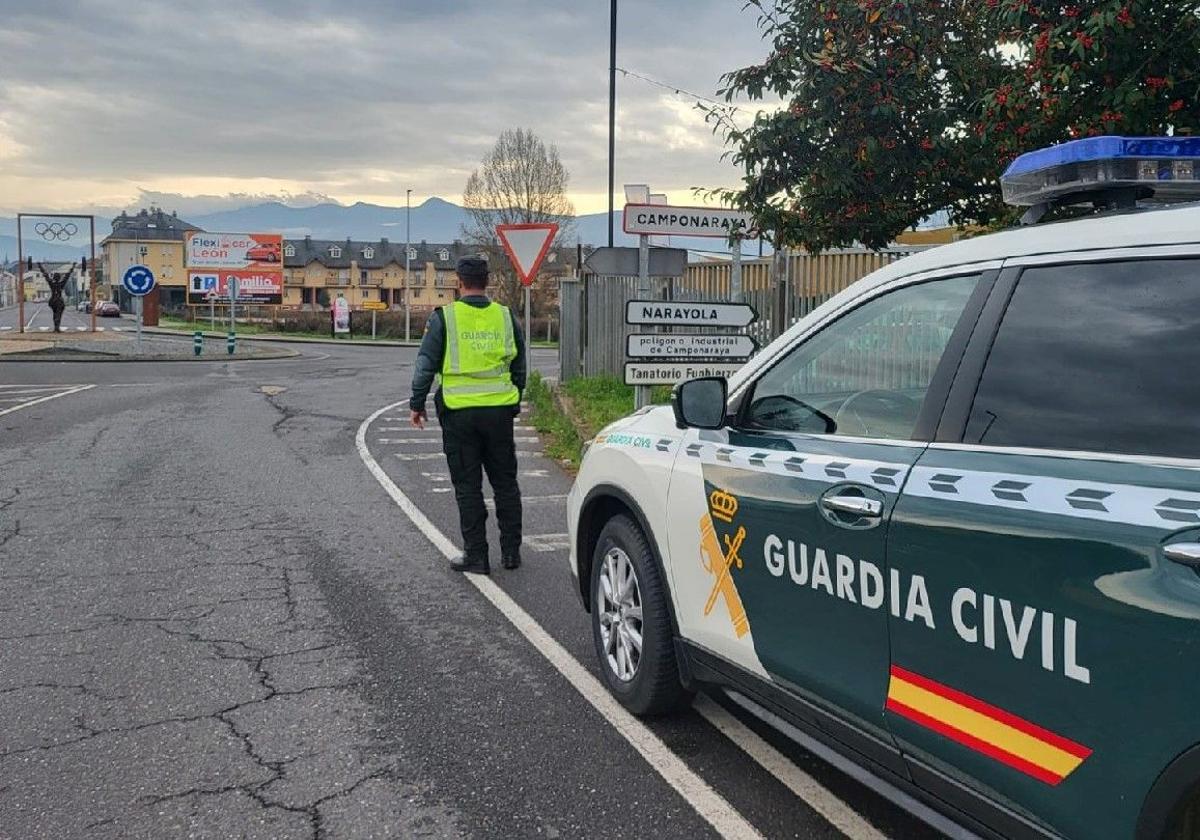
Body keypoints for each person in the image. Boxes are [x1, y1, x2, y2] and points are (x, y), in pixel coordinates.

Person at [409, 256, 526, 574]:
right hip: (499, 413)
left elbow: (425, 366)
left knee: (468, 486)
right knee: (505, 483)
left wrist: (417, 404)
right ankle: (512, 553)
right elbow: (520, 365)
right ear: (487, 282)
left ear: (458, 283)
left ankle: (477, 555)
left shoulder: (444, 318)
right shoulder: (506, 317)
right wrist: (514, 401)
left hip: (459, 416)